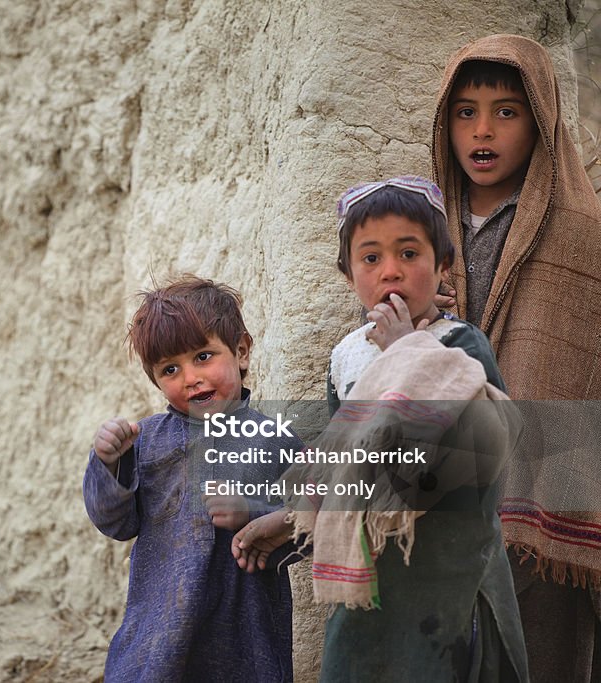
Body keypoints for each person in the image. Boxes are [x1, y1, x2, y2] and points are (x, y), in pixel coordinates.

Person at [239, 177, 528, 681]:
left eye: (409, 253)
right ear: (348, 274)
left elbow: (483, 451)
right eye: (370, 258)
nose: (390, 271)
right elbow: (344, 467)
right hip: (369, 579)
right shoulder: (346, 359)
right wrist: (289, 519)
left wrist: (404, 352)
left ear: (442, 266)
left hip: (447, 578)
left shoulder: (459, 345)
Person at [432, 34, 601, 682]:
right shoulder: (426, 228)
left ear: (541, 120)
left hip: (544, 504)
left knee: (542, 652)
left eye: (507, 111)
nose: (483, 130)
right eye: (466, 111)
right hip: (447, 489)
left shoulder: (582, 235)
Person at [83, 276, 303, 682]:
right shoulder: (146, 441)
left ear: (240, 351)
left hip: (244, 640)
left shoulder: (276, 441)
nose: (190, 377)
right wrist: (108, 464)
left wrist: (254, 513)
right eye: (170, 369)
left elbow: (311, 528)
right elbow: (116, 523)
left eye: (203, 356)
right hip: (157, 637)